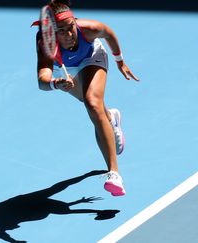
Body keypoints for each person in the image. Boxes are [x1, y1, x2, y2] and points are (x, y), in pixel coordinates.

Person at [33, 0, 139, 196]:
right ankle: (111, 118)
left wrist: (119, 60)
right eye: (61, 31)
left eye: (70, 27)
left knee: (92, 103)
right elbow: (42, 81)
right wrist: (57, 83)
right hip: (64, 68)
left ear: (75, 22)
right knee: (91, 104)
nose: (68, 34)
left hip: (92, 56)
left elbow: (108, 32)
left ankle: (114, 173)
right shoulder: (46, 45)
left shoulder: (89, 29)